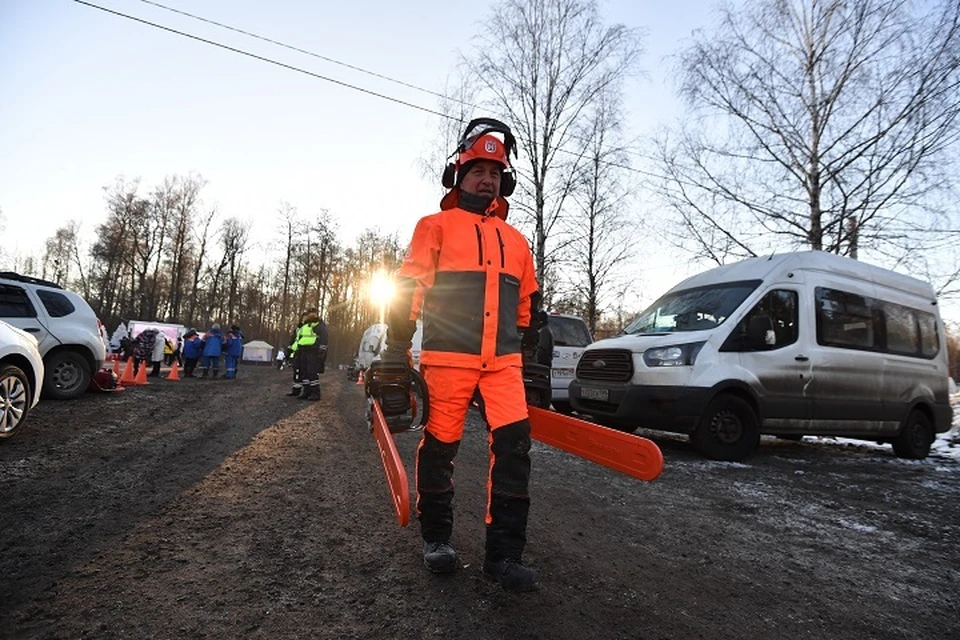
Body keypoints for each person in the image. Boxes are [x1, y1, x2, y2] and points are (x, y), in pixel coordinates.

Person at [380, 118, 543, 592]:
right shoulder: (434, 226)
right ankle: (438, 540)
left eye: (496, 171)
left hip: (504, 364)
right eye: (478, 169)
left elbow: (527, 300)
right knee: (440, 449)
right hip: (448, 360)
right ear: (458, 173)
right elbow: (409, 284)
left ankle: (505, 555)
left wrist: (533, 337)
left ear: (505, 180)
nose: (487, 178)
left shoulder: (517, 240)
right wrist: (396, 343)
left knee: (515, 450)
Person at [292, 308, 328, 400]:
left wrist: (322, 349)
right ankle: (306, 391)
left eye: (313, 313)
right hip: (303, 350)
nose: (311, 315)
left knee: (312, 372)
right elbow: (299, 338)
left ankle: (315, 393)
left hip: (313, 350)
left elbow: (324, 337)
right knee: (304, 373)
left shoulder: (319, 325)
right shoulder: (304, 325)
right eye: (309, 313)